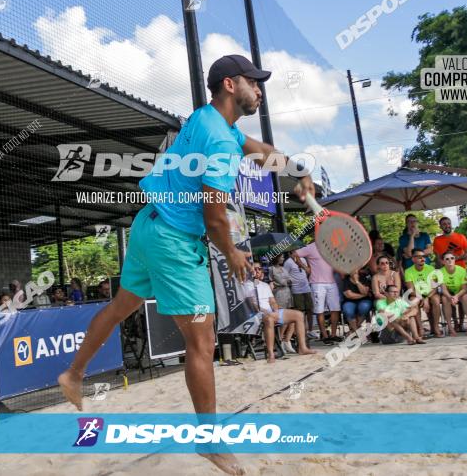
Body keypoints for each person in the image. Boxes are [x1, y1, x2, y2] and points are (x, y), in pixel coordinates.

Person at [57, 53, 314, 476]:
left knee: (121, 307)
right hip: (175, 242)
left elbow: (262, 151)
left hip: (147, 226)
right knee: (203, 343)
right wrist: (232, 252)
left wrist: (297, 169)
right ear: (231, 85)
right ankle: (209, 441)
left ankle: (74, 373)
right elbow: (215, 217)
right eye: (254, 82)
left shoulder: (209, 121)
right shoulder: (218, 140)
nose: (260, 89)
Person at [245, 267, 316, 360]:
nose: (258, 271)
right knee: (269, 318)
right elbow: (251, 304)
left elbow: (272, 301)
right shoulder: (247, 286)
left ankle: (302, 348)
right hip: (257, 314)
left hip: (271, 313)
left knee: (299, 315)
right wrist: (265, 311)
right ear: (251, 271)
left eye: (260, 269)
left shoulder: (265, 285)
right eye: (255, 269)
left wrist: (275, 308)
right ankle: (271, 353)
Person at [297, 241, 342, 345]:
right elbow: (294, 254)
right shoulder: (310, 247)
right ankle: (325, 336)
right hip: (317, 283)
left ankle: (333, 335)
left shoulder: (332, 245)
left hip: (332, 282)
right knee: (319, 310)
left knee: (335, 309)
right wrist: (305, 268)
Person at [435, 251, 467, 336]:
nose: (450, 261)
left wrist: (456, 296)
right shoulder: (440, 272)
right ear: (443, 261)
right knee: (445, 299)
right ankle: (451, 328)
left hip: (462, 292)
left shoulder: (461, 270)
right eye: (447, 259)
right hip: (449, 293)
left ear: (455, 259)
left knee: (465, 297)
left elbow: (464, 288)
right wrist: (451, 297)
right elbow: (444, 289)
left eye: (452, 258)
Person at [403, 249, 438, 338]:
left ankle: (436, 328)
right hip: (417, 295)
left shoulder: (431, 269)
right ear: (413, 259)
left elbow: (434, 288)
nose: (422, 259)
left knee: (436, 300)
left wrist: (426, 298)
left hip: (430, 294)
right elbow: (411, 290)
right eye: (419, 257)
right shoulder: (408, 271)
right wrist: (421, 298)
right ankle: (420, 329)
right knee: (413, 301)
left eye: (423, 256)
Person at [284, 252, 314, 336]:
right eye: (294, 252)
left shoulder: (303, 259)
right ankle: (302, 331)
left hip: (306, 288)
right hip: (296, 290)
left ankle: (310, 330)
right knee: (300, 312)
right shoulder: (288, 262)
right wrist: (291, 281)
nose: (296, 253)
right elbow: (285, 276)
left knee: (310, 310)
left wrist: (301, 264)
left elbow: (309, 271)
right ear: (290, 253)